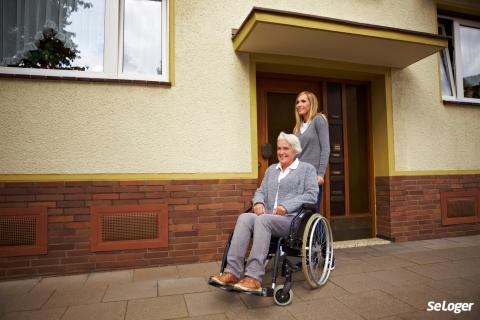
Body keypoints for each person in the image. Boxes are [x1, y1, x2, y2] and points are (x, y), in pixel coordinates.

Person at [210, 132, 318, 292]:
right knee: (245, 217)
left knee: (263, 220)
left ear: (295, 150)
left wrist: (286, 206)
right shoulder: (271, 170)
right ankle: (231, 272)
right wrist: (258, 202)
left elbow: (311, 195)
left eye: (285, 148)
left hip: (290, 220)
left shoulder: (306, 169)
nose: (281, 152)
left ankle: (253, 277)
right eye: (279, 148)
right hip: (267, 217)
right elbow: (260, 191)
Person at [293, 91, 335, 269]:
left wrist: (321, 174)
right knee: (299, 217)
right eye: (297, 102)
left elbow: (325, 149)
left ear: (311, 103)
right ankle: (307, 255)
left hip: (312, 178)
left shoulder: (319, 120)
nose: (299, 104)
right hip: (297, 178)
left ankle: (327, 255)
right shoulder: (296, 128)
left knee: (313, 215)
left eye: (303, 101)